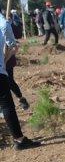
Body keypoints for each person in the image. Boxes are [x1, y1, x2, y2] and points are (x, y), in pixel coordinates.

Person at [1, 13, 40, 150]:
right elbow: (11, 49)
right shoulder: (3, 24)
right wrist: (7, 58)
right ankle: (19, 139)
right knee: (7, 106)